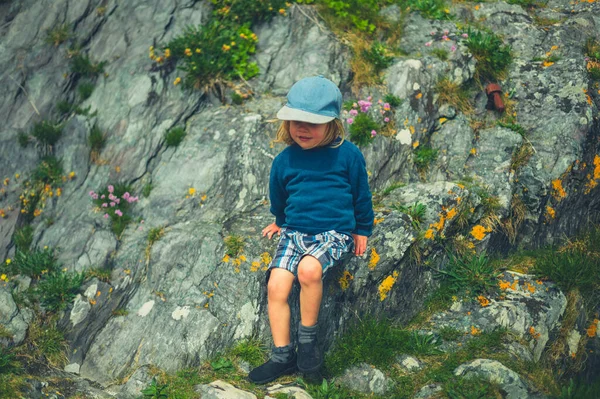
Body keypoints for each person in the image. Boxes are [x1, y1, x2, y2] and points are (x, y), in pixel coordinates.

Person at [248, 75, 374, 384]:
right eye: (295, 121)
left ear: (332, 123)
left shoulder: (348, 155)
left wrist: (362, 229)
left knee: (308, 271)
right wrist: (279, 220)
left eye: (312, 123)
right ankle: (282, 355)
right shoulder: (285, 160)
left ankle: (307, 344)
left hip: (333, 232)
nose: (302, 129)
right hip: (294, 233)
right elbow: (279, 195)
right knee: (276, 286)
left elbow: (361, 193)